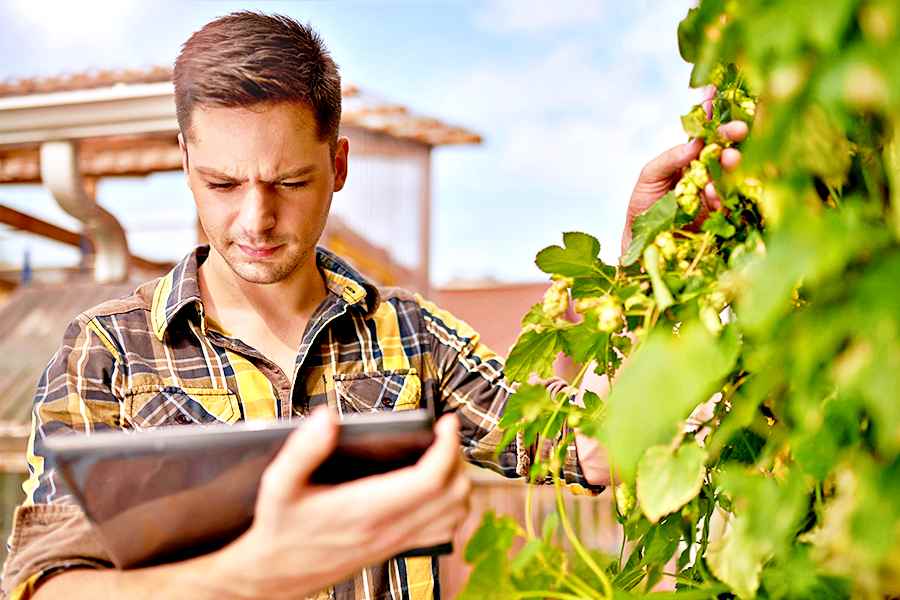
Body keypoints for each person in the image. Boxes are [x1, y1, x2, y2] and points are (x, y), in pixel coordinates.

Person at [0, 12, 747, 600]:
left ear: (338, 165)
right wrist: (253, 577)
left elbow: (592, 449)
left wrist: (646, 260)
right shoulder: (105, 351)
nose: (255, 219)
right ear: (187, 166)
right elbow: (43, 585)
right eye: (223, 185)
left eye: (289, 182)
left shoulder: (413, 336)